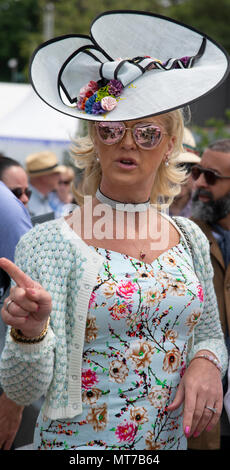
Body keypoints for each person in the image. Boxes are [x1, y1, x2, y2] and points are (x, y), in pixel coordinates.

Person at [0, 10, 229, 451]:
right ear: (93, 137)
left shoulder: (191, 239)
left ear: (168, 146)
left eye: (146, 133)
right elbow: (23, 389)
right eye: (111, 129)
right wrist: (29, 333)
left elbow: (210, 336)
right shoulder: (46, 244)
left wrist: (205, 361)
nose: (127, 143)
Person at [189, 139, 230, 450]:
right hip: (201, 412)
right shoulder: (179, 239)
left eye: (211, 176)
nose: (200, 182)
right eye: (197, 171)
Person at [0, 180, 36, 450]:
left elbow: (30, 305)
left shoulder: (6, 209)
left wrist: (14, 397)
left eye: (28, 192)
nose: (24, 198)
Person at [169, 128, 201, 217]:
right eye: (171, 167)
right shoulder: (144, 210)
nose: (179, 176)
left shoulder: (208, 209)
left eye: (185, 167)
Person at [26, 150, 65, 218]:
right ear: (44, 177)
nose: (60, 177)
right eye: (56, 173)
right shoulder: (25, 201)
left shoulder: (46, 197)